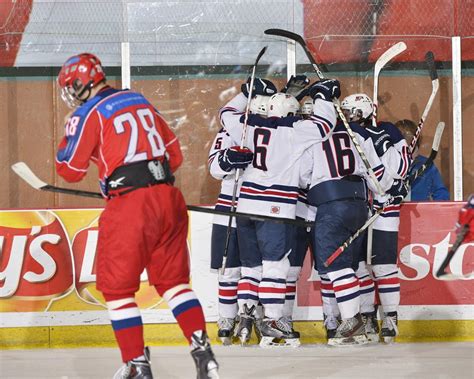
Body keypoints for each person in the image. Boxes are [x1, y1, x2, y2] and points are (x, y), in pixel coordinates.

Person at [55, 53, 219, 379]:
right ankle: (203, 351)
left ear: (79, 83)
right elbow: (173, 155)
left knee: (117, 290)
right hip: (168, 198)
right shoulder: (139, 100)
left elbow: (69, 170)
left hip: (131, 205)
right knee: (173, 283)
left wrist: (69, 140)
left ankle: (137, 364)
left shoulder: (89, 112)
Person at [219, 77, 339, 347]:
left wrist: (245, 94)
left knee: (251, 268)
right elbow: (324, 125)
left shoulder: (248, 128)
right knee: (276, 266)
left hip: (245, 208)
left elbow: (225, 114)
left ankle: (247, 316)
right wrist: (323, 97)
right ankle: (273, 321)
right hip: (275, 209)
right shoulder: (294, 131)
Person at [341, 93, 412, 343]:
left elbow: (402, 164)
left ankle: (391, 317)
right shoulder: (350, 135)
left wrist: (397, 186)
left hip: (386, 209)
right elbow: (365, 173)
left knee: (382, 266)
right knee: (360, 268)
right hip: (360, 207)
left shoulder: (388, 131)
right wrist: (388, 183)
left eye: (353, 112)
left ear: (364, 111)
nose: (349, 117)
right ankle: (368, 315)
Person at [396, 119, 450, 201]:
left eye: (411, 149)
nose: (407, 155)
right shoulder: (386, 165)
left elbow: (441, 194)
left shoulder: (426, 165)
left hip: (419, 212)